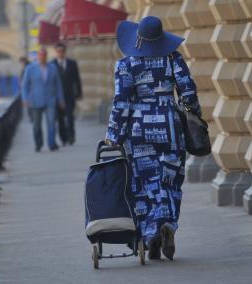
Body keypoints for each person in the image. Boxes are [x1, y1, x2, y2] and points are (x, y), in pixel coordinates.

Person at [105, 16, 202, 261]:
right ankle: (167, 223)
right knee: (169, 178)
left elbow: (122, 102)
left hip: (138, 130)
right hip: (170, 126)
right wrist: (193, 115)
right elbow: (188, 92)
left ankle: (151, 233)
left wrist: (113, 134)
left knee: (144, 182)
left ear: (138, 39)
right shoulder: (173, 59)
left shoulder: (126, 64)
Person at [22, 47, 65, 152]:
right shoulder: (30, 68)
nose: (42, 57)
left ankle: (51, 144)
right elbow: (25, 85)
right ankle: (38, 144)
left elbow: (58, 85)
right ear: (37, 56)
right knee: (36, 125)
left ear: (46, 56)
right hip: (35, 101)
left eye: (44, 55)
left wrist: (61, 100)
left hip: (50, 100)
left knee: (51, 123)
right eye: (40, 55)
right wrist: (25, 99)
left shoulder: (53, 68)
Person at [52, 42, 82, 146]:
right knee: (60, 119)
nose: (60, 53)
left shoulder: (72, 63)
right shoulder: (52, 65)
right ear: (56, 52)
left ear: (65, 52)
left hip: (70, 96)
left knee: (70, 117)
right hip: (57, 97)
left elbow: (77, 79)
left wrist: (78, 93)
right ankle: (63, 138)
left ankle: (71, 136)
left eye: (62, 51)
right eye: (58, 51)